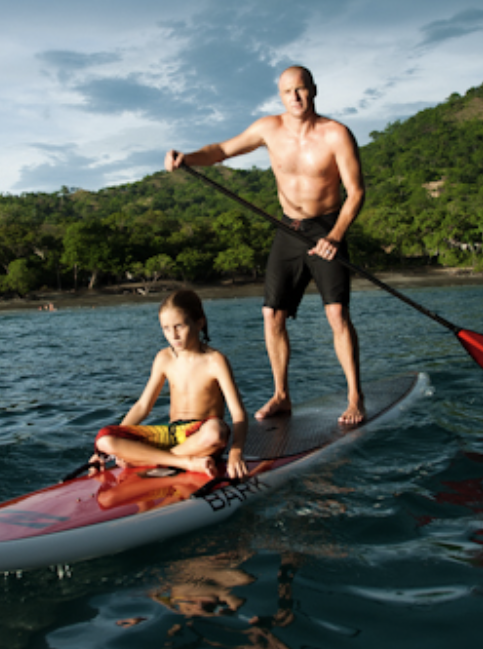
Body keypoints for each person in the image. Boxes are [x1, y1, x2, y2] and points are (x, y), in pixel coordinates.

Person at [165, 65, 366, 425]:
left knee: (336, 314)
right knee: (271, 315)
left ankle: (355, 397)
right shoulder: (268, 129)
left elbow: (357, 193)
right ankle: (282, 396)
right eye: (289, 91)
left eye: (302, 89)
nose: (296, 97)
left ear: (314, 90)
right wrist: (187, 158)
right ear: (281, 96)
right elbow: (223, 150)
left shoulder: (336, 134)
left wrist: (335, 236)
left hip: (327, 227)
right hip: (288, 227)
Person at [91, 288, 248, 480]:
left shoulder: (215, 361)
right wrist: (107, 449)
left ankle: (147, 458)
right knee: (104, 439)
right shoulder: (163, 358)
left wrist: (235, 453)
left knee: (216, 433)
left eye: (179, 326)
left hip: (200, 435)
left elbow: (238, 413)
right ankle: (181, 461)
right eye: (166, 328)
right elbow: (143, 406)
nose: (173, 335)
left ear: (199, 322)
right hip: (171, 433)